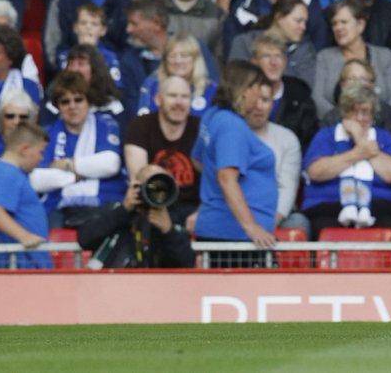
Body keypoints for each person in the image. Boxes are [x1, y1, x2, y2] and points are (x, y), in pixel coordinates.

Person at [192, 61, 278, 263]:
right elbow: (226, 178)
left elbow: (198, 160)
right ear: (245, 89)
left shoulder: (213, 115)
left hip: (221, 229)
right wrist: (251, 226)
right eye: (257, 88)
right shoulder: (232, 126)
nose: (258, 98)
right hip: (237, 238)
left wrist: (214, 194)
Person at [301, 82, 391, 238]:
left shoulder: (384, 137)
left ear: (373, 114)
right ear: (344, 112)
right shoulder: (326, 135)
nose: (360, 118)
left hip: (378, 205)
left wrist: (361, 139)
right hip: (329, 204)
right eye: (354, 112)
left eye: (365, 112)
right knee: (322, 226)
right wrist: (358, 153)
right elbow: (315, 172)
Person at [33, 72, 126, 228]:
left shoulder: (106, 125)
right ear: (58, 106)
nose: (72, 106)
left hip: (104, 200)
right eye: (65, 102)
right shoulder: (46, 133)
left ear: (88, 102)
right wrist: (78, 175)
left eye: (78, 100)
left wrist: (67, 164)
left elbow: (110, 164)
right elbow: (37, 179)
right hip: (57, 207)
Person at [75, 162, 196, 268]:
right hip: (114, 284)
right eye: (149, 185)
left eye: (160, 188)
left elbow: (187, 263)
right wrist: (124, 210)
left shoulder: (173, 217)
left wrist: (168, 230)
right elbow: (84, 239)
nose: (154, 191)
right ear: (136, 187)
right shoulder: (116, 211)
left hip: (156, 287)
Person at [122, 75, 200, 224]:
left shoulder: (201, 129)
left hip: (192, 208)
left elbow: (213, 182)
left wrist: (200, 214)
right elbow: (138, 179)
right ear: (158, 99)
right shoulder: (140, 126)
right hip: (153, 203)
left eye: (184, 97)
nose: (178, 102)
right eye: (172, 96)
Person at [313, 0, 391, 124]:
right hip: (336, 128)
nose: (338, 28)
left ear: (360, 25)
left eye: (344, 22)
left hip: (381, 128)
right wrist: (342, 122)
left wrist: (379, 121)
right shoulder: (325, 57)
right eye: (334, 23)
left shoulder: (384, 56)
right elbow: (318, 98)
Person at [0, 120, 50, 269]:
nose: (42, 158)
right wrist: (24, 236)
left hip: (25, 265)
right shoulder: (6, 173)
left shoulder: (11, 173)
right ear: (25, 149)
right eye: (41, 151)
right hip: (18, 267)